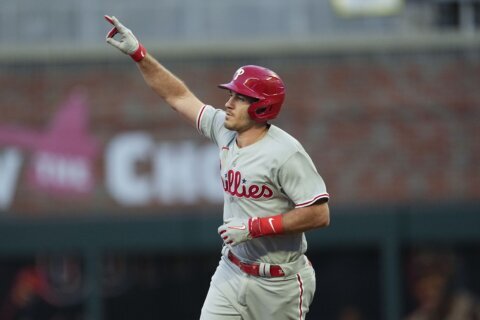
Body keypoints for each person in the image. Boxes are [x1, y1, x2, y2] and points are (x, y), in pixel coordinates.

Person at [104, 15, 330, 320]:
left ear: (263, 106)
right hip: (232, 269)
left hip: (280, 282)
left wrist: (254, 227)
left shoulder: (285, 152)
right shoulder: (223, 129)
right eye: (231, 94)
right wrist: (139, 55)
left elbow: (319, 213)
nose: (229, 102)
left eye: (241, 97)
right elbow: (178, 96)